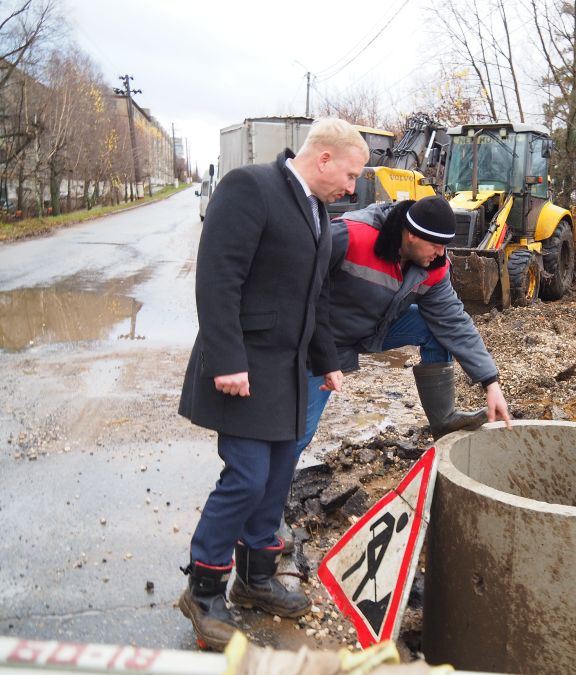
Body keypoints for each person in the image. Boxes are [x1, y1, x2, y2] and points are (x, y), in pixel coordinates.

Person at [177, 118, 369, 651]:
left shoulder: (317, 208)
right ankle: (204, 591)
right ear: (325, 159)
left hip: (289, 372)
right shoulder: (251, 186)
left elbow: (316, 297)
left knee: (279, 474)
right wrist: (226, 358)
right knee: (246, 476)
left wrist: (326, 360)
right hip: (242, 368)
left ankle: (256, 582)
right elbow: (218, 276)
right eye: (351, 175)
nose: (353, 188)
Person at [297, 195, 512, 477]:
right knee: (299, 430)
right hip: (323, 342)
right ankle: (266, 510)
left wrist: (490, 382)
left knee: (432, 325)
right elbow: (295, 280)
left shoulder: (434, 267)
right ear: (410, 234)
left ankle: (444, 419)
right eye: (435, 245)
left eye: (444, 245)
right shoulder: (351, 236)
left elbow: (453, 322)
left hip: (375, 327)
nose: (440, 253)